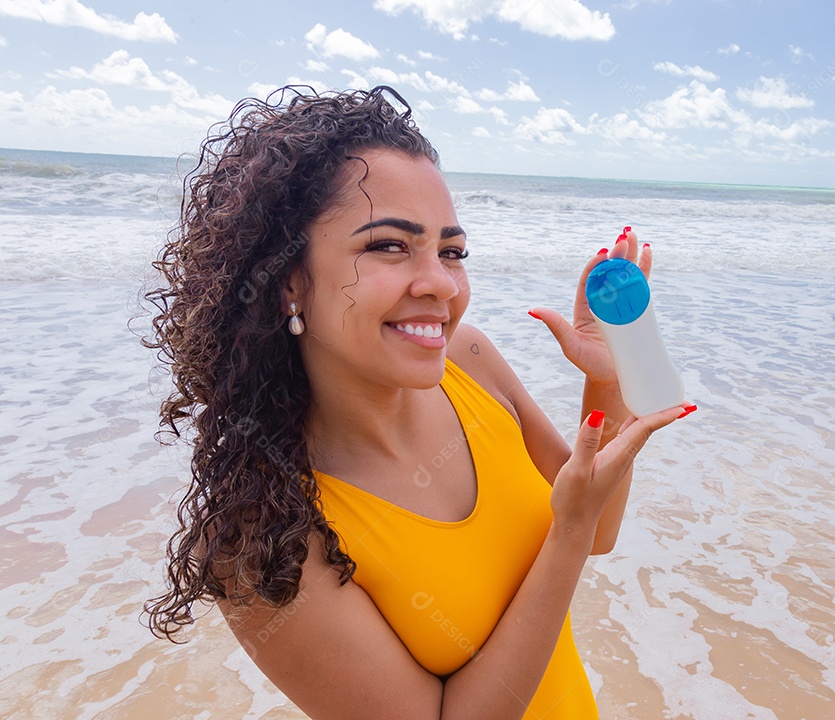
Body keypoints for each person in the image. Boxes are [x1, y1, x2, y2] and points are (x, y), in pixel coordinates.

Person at [143, 85, 695, 719]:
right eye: (389, 245)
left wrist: (607, 382)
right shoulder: (262, 530)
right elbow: (577, 533)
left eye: (451, 251)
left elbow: (596, 528)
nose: (440, 283)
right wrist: (564, 534)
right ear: (287, 281)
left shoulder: (471, 364)